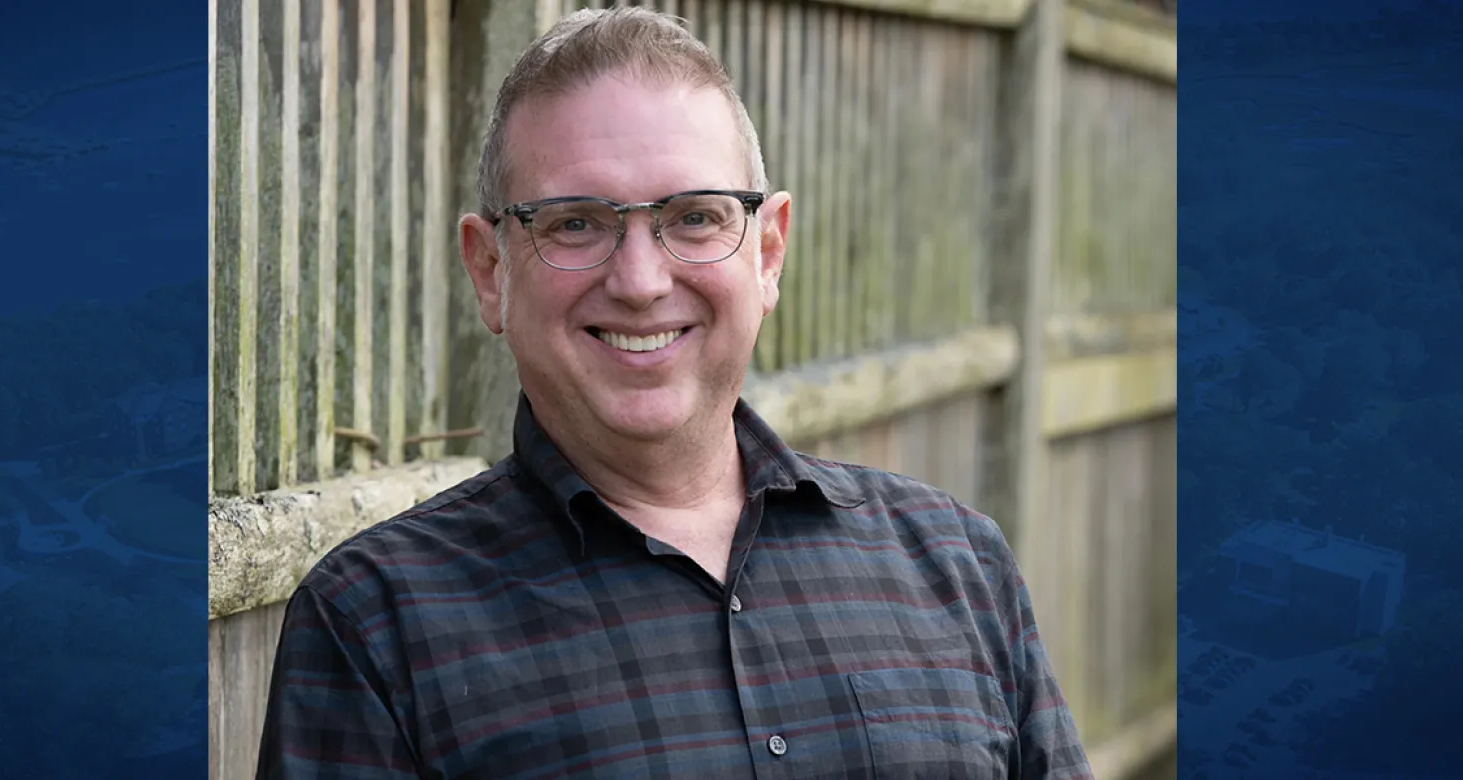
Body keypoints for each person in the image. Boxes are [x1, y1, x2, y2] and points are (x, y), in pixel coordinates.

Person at [255, 7, 1090, 779]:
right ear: (489, 270)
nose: (641, 281)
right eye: (575, 222)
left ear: (766, 253)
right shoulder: (374, 625)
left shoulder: (956, 563)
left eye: (695, 216)